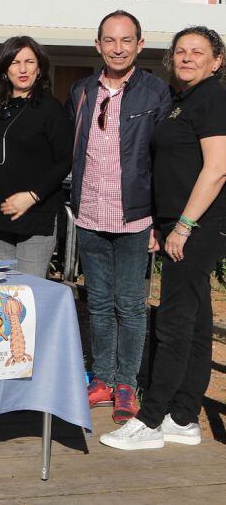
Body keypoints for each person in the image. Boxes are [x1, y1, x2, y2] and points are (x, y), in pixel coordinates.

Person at [101, 26, 226, 451]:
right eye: (181, 51)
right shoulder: (183, 100)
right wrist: (163, 223)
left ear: (217, 61)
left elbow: (217, 168)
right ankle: (184, 417)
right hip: (179, 222)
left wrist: (184, 226)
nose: (187, 57)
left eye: (198, 52)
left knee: (172, 324)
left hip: (198, 225)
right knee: (195, 324)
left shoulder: (213, 97)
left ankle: (150, 420)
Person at [68, 11, 171, 424]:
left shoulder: (156, 92)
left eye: (126, 40)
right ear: (98, 45)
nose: (118, 48)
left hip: (135, 217)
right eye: (109, 40)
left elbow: (163, 161)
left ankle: (126, 383)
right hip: (90, 213)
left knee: (130, 305)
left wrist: (159, 219)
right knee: (97, 302)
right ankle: (103, 379)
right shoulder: (81, 90)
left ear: (140, 45)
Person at [0, 37, 73, 278]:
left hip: (35, 216)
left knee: (28, 291)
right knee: (1, 289)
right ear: (5, 69)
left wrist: (32, 196)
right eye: (15, 62)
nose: (22, 69)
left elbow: (65, 160)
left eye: (29, 62)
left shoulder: (51, 109)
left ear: (39, 68)